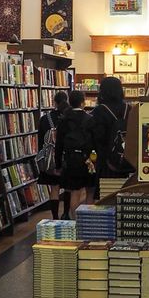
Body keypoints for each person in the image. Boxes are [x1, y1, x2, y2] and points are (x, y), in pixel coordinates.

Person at [55, 89, 93, 219]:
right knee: (90, 191)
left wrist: (58, 164)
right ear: (83, 103)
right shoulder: (89, 119)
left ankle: (76, 221)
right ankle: (88, 221)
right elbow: (93, 142)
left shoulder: (64, 120)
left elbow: (58, 144)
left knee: (75, 192)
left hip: (71, 159)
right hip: (87, 160)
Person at [89, 76, 131, 193]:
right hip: (129, 160)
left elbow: (97, 138)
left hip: (106, 161)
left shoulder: (99, 111)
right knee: (127, 194)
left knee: (107, 195)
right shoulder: (130, 109)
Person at [37, 89, 69, 220]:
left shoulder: (46, 119)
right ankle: (66, 214)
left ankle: (55, 217)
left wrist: (42, 158)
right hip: (66, 158)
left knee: (54, 189)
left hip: (51, 159)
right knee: (68, 188)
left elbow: (40, 140)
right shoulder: (69, 117)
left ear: (54, 102)